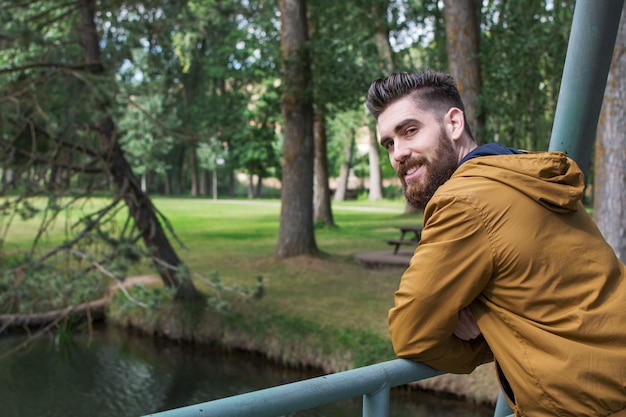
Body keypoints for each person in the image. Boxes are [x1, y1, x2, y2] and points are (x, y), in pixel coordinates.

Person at [365, 69, 626, 417]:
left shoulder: (463, 201)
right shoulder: (517, 172)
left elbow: (411, 332)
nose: (398, 153)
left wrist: (484, 336)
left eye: (409, 131)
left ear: (454, 123)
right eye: (389, 143)